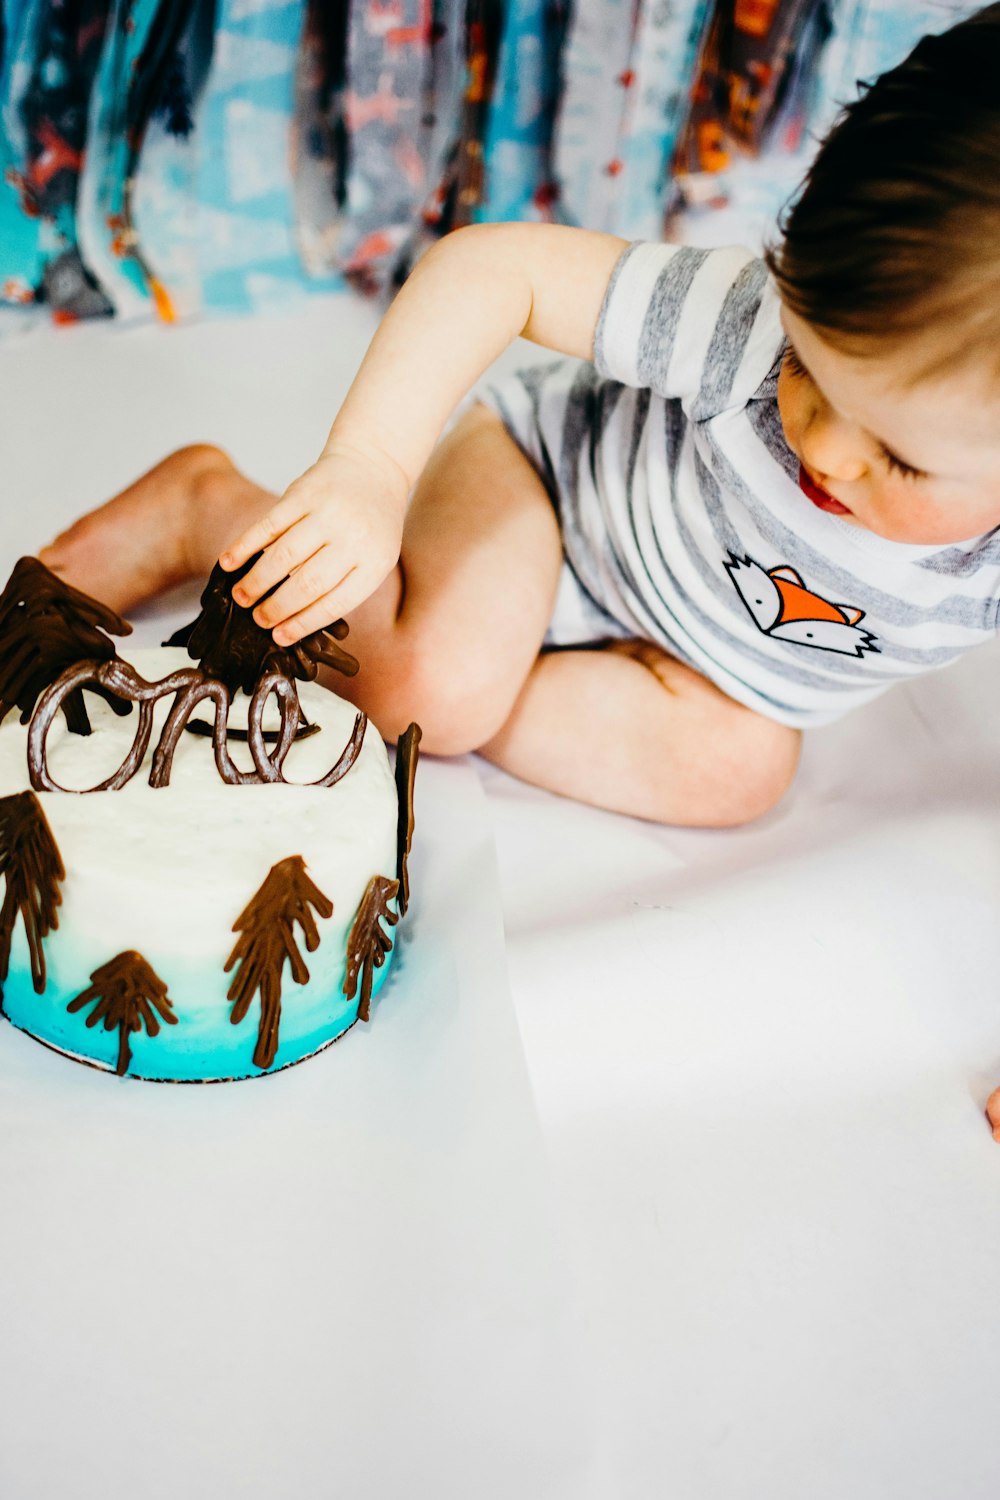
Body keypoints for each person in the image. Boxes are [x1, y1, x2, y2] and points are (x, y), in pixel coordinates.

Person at [40, 4, 1000, 827]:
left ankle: (502, 656)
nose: (820, 445)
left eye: (900, 458)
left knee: (740, 778)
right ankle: (201, 510)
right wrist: (370, 466)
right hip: (549, 485)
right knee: (430, 692)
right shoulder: (739, 323)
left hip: (694, 655)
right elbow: (497, 268)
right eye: (807, 366)